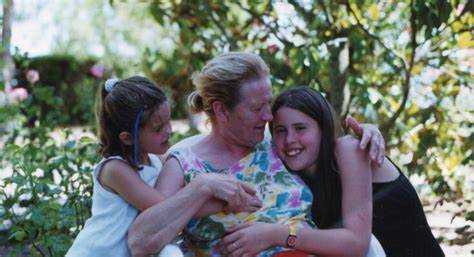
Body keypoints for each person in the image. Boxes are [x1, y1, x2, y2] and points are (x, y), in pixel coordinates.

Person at [128, 52, 386, 257]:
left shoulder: (276, 144)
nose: (269, 116)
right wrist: (201, 187)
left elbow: (327, 147)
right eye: (256, 108)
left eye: (268, 103)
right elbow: (140, 242)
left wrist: (368, 133)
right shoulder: (185, 165)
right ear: (222, 110)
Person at [221, 86, 442, 257]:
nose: (289, 140)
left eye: (300, 128)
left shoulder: (348, 149)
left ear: (322, 129)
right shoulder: (287, 174)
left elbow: (357, 243)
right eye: (280, 131)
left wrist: (275, 235)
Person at [66, 76, 258, 257]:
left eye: (169, 121)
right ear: (127, 138)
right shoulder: (115, 170)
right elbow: (168, 208)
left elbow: (187, 180)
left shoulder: (157, 159)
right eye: (158, 128)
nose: (169, 130)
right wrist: (229, 202)